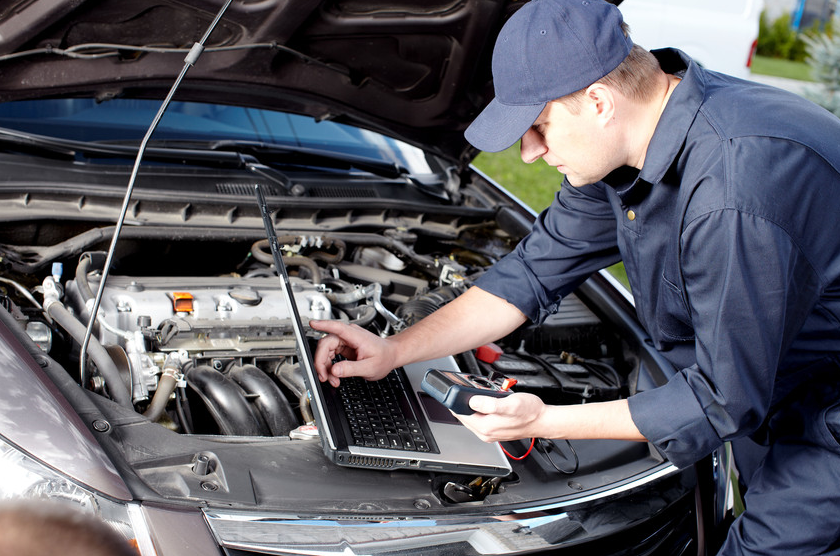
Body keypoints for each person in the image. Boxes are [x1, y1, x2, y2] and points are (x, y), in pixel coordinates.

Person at [312, 0, 840, 553]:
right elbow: (532, 271)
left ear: (598, 101)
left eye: (539, 126)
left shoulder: (732, 190)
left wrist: (543, 419)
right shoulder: (628, 144)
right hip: (774, 386)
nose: (531, 152)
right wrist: (395, 351)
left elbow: (722, 401)